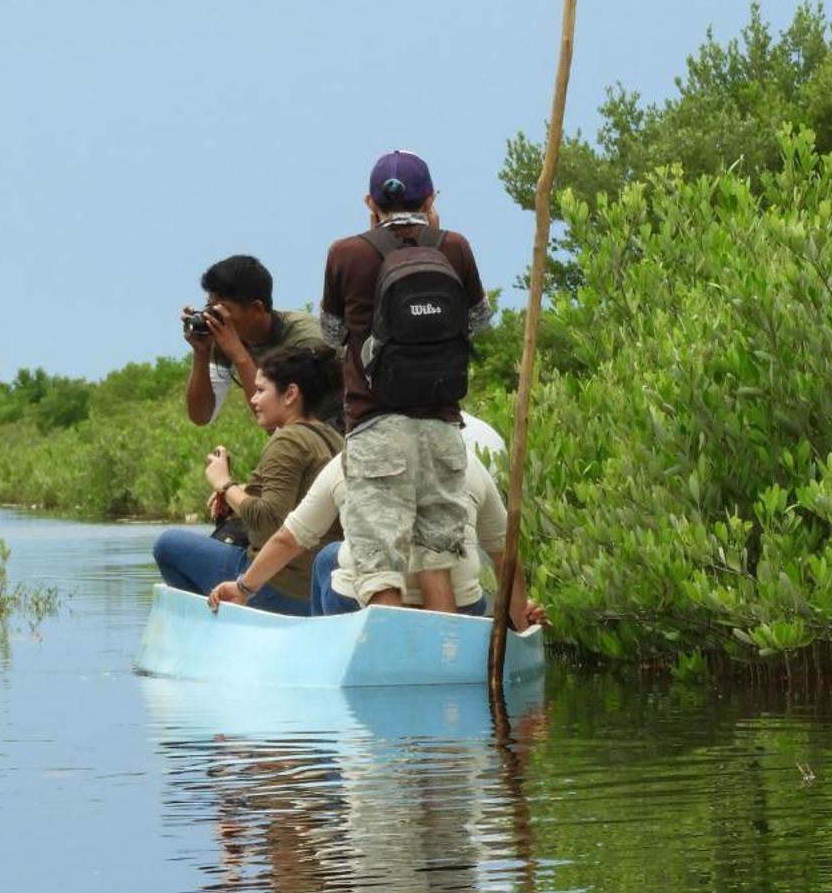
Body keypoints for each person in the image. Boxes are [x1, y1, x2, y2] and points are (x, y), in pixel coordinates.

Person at [320, 150, 493, 613]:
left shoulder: (346, 252)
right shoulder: (454, 245)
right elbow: (478, 323)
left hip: (376, 424)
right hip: (441, 422)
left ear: (369, 202)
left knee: (378, 560)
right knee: (436, 556)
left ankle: (392, 664)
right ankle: (448, 659)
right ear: (431, 196)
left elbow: (331, 333)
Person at [207, 438, 546, 632]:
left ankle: (326, 651)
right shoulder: (469, 461)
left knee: (328, 556)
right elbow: (505, 553)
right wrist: (520, 623)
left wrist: (243, 588)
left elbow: (289, 538)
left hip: (371, 612)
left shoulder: (351, 458)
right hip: (460, 613)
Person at [153, 347, 343, 614]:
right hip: (318, 584)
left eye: (261, 390)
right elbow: (296, 502)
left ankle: (219, 630)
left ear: (290, 394)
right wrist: (239, 495)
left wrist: (224, 484)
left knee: (168, 545)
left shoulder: (288, 440)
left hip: (282, 585)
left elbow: (270, 521)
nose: (253, 400)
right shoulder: (332, 437)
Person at [182, 255, 341, 429]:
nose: (217, 319)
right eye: (211, 308)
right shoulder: (225, 335)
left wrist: (239, 355)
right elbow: (201, 416)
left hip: (339, 427)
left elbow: (280, 419)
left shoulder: (305, 338)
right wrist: (201, 353)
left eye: (223, 310)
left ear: (257, 308)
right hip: (301, 435)